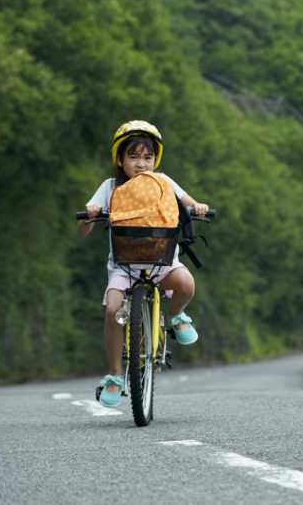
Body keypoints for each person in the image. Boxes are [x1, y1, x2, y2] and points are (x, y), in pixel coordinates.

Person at [79, 120, 209, 408]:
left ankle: (176, 316)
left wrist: (197, 206)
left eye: (148, 157)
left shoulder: (163, 182)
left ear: (155, 160)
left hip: (162, 262)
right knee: (112, 310)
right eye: (134, 157)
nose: (141, 164)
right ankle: (115, 375)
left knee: (186, 284)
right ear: (120, 159)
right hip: (124, 267)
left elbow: (188, 201)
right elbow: (83, 229)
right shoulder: (110, 187)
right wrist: (91, 215)